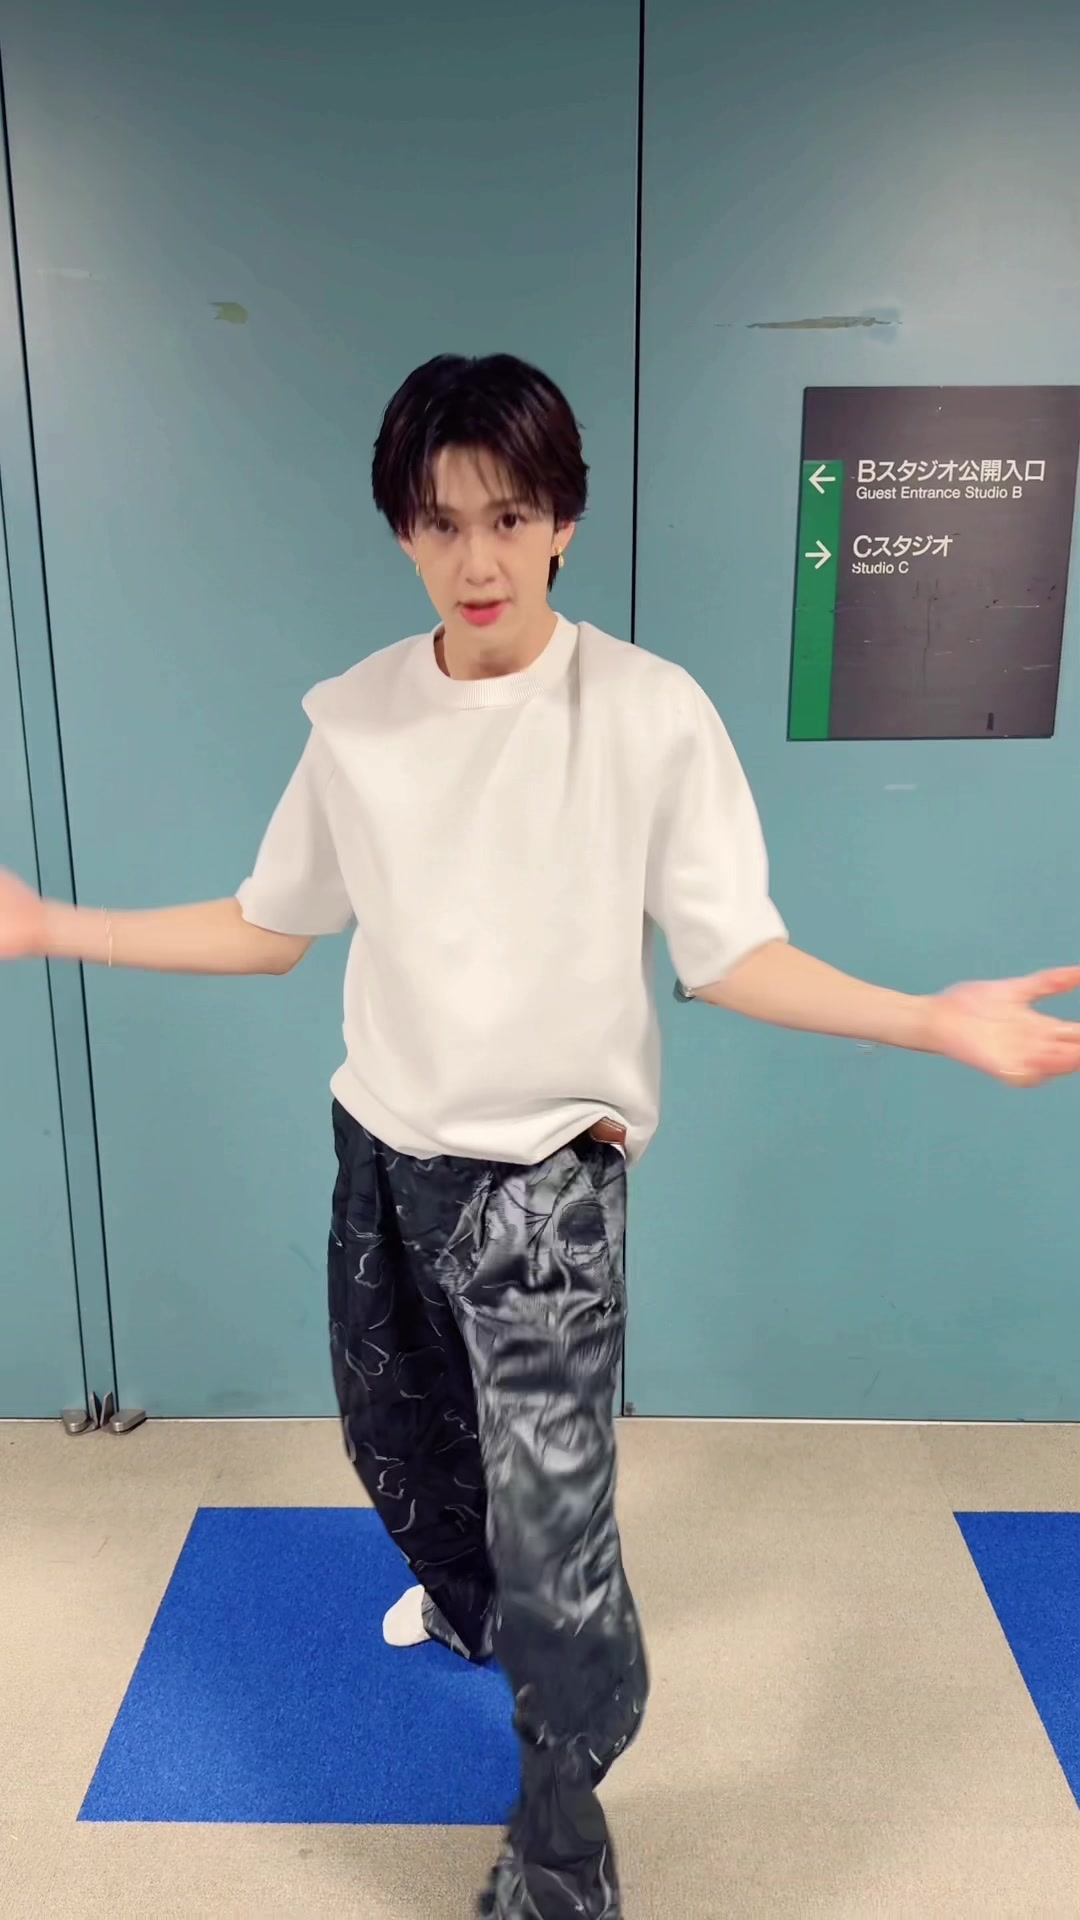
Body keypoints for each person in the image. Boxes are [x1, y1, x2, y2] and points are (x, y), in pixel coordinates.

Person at [3, 352, 1080, 1920]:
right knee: (401, 1455)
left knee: (559, 1564)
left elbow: (734, 954)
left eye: (509, 517)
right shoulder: (356, 720)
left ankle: (564, 1852)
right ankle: (464, 1606)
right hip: (382, 1155)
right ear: (402, 533)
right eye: (442, 523)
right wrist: (51, 926)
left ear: (564, 520)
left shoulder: (646, 714)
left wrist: (932, 1017)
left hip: (549, 1193)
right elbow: (268, 926)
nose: (479, 557)